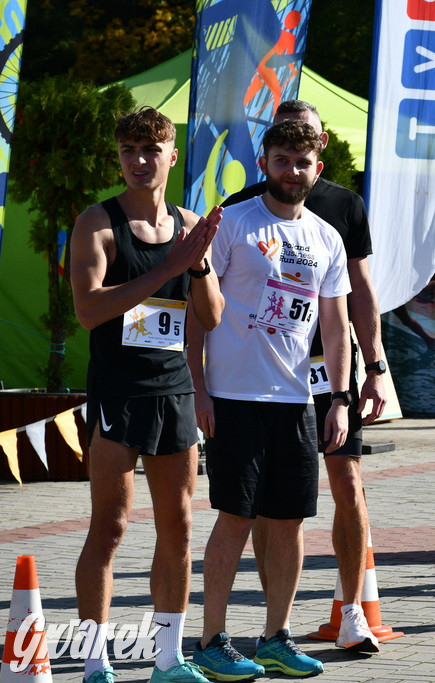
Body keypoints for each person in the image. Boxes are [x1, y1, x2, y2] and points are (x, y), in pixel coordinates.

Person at [188, 119, 351, 680]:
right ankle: (211, 639)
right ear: (264, 163)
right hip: (232, 396)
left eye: (301, 162)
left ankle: (275, 638)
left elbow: (335, 327)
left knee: (288, 521)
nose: (291, 171)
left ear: (317, 169)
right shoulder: (232, 224)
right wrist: (199, 387)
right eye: (281, 159)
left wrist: (340, 398)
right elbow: (197, 312)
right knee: (235, 517)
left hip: (296, 400)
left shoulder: (327, 237)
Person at [222, 99, 386, 654]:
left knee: (347, 484)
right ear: (269, 154)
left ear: (321, 155)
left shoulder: (344, 208)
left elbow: (358, 294)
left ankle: (354, 611)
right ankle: (277, 625)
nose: (297, 161)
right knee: (271, 506)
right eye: (285, 149)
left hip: (327, 371)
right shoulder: (239, 209)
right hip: (260, 375)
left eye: (308, 146)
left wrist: (376, 367)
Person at [70, 106, 223, 683]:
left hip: (174, 392)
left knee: (178, 528)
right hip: (118, 393)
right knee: (109, 526)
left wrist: (199, 263)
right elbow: (89, 311)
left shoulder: (189, 225)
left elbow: (210, 317)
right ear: (118, 156)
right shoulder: (98, 223)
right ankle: (93, 658)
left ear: (171, 155)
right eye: (128, 150)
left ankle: (167, 657)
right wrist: (168, 269)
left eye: (150, 150)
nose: (138, 161)